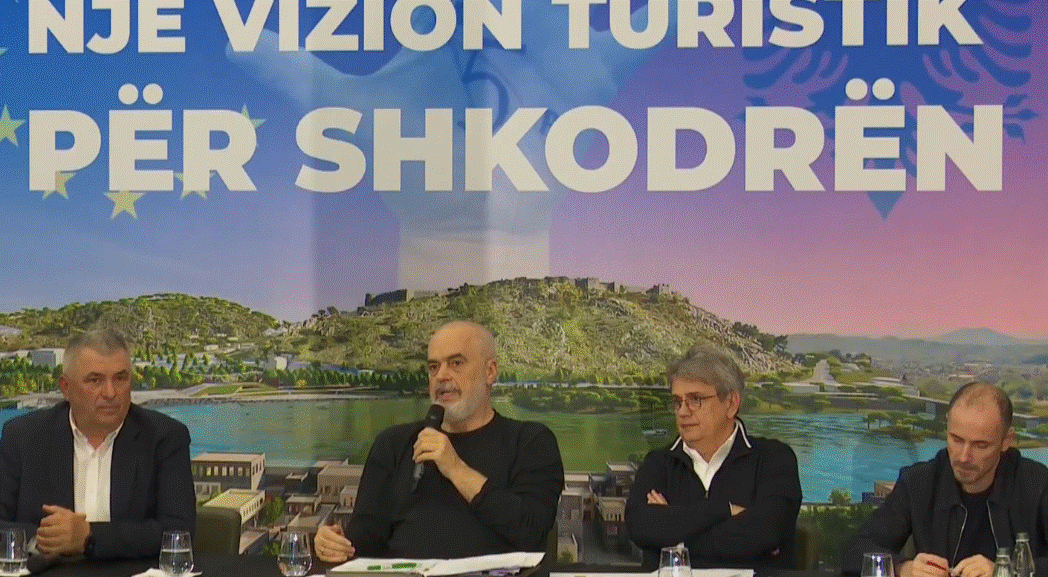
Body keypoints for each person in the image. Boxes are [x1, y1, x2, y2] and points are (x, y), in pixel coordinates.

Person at [315, 321, 564, 561]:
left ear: (490, 372)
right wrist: (335, 544)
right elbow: (366, 539)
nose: (442, 375)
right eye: (434, 367)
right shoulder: (392, 444)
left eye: (456, 363)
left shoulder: (531, 442)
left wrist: (455, 468)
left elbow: (531, 531)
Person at [0, 329, 195, 560]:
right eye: (95, 380)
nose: (110, 393)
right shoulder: (23, 437)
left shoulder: (165, 437)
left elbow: (179, 531)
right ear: (66, 388)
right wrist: (44, 539)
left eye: (120, 379)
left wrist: (89, 537)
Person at [844, 382, 1048, 577]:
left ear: (1006, 441)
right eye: (956, 440)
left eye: (980, 445)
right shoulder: (919, 482)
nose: (964, 457)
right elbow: (856, 552)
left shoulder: (1037, 484)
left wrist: (1006, 571)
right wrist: (902, 568)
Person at [626, 344, 802, 570]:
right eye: (677, 402)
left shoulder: (773, 459)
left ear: (731, 404)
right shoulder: (658, 463)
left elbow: (765, 533)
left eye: (695, 399)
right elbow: (640, 527)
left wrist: (673, 536)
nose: (683, 411)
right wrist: (725, 511)